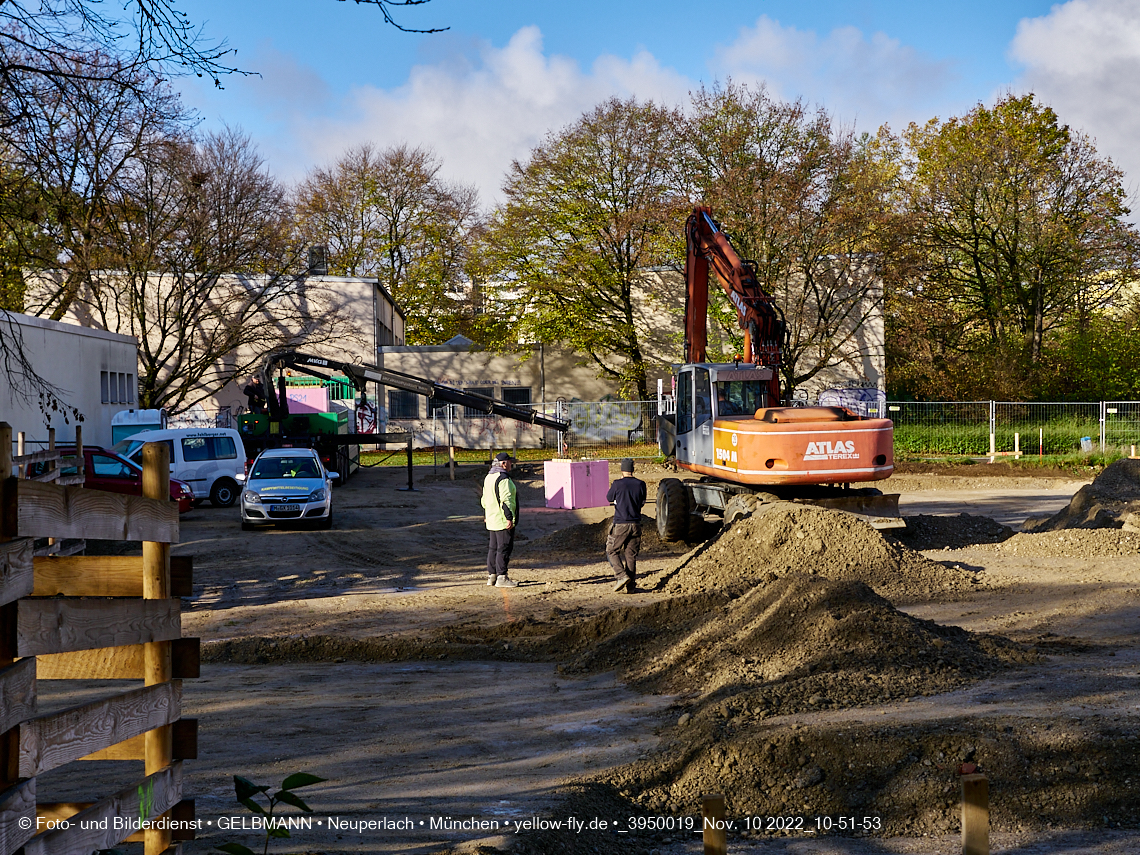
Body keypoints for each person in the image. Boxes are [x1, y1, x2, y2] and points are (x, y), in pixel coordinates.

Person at [606, 457, 647, 594]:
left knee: (611, 550)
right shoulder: (641, 484)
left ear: (622, 469)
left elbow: (609, 498)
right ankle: (631, 587)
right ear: (632, 469)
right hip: (636, 524)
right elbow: (642, 502)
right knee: (631, 555)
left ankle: (621, 576)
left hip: (621, 524)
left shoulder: (618, 484)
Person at [481, 451, 520, 588]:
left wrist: (487, 515)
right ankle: (502, 577)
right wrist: (509, 518)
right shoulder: (503, 479)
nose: (511, 465)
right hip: (502, 519)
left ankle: (492, 576)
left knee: (493, 548)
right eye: (509, 462)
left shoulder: (489, 477)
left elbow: (484, 500)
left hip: (492, 518)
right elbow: (506, 500)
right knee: (504, 548)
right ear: (503, 464)